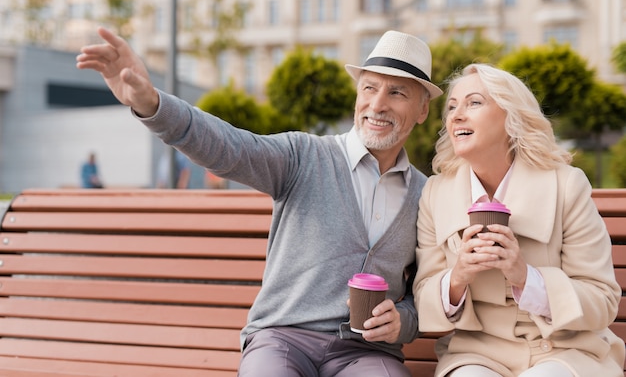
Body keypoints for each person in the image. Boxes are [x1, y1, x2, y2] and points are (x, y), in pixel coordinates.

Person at [76, 27, 443, 376]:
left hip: (366, 353)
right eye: (370, 88)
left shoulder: (425, 196)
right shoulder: (303, 156)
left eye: (397, 93)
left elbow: (420, 292)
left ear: (422, 110)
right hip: (284, 337)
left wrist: (402, 320)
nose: (378, 104)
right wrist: (152, 104)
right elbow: (227, 147)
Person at [412, 63, 625, 377]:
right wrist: (457, 277)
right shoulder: (435, 193)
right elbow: (424, 294)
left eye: (474, 102)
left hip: (566, 352)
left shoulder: (566, 185)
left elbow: (603, 301)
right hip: (477, 354)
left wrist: (526, 277)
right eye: (453, 106)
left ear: (511, 118)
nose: (456, 115)